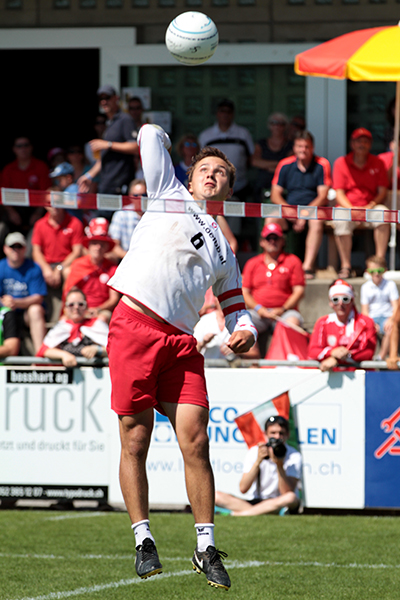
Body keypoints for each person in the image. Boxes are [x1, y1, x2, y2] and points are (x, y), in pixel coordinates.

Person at [106, 124, 257, 589]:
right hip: (134, 327)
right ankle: (143, 540)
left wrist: (246, 331)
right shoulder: (167, 191)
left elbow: (237, 308)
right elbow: (149, 134)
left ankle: (206, 547)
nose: (211, 176)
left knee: (197, 442)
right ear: (189, 180)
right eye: (204, 170)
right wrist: (167, 138)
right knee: (135, 439)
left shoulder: (224, 249)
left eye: (220, 174)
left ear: (228, 189)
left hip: (180, 345)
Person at [269, 131, 331, 279]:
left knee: (316, 222)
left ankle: (307, 267)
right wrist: (290, 212)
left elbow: (323, 196)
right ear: (294, 148)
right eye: (299, 146)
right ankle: (273, 263)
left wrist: (304, 214)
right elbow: (275, 194)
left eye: (306, 146)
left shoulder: (321, 164)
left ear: (312, 147)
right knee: (271, 219)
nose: (303, 150)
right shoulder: (285, 164)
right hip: (290, 209)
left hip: (313, 209)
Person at [332, 128, 389, 279]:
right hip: (348, 207)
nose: (362, 145)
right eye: (358, 141)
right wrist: (352, 209)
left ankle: (379, 264)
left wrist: (370, 205)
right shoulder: (341, 163)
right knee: (340, 218)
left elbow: (382, 191)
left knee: (383, 213)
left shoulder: (378, 163)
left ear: (370, 145)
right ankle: (346, 266)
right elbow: (339, 193)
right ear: (352, 144)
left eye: (365, 141)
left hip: (370, 206)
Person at [215, 415, 301, 516]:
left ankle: (239, 514)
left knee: (291, 497)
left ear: (287, 435)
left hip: (279, 501)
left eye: (281, 433)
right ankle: (260, 511)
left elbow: (287, 492)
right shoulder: (255, 452)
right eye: (273, 433)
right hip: (258, 501)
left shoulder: (294, 455)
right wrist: (258, 461)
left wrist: (279, 465)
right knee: (216, 496)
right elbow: (243, 488)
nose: (277, 437)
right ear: (265, 434)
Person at [242, 223, 305, 356]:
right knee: (242, 323)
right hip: (258, 312)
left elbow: (299, 291)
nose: (272, 241)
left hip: (285, 312)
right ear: (262, 242)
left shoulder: (293, 261)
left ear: (282, 241)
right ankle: (253, 361)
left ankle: (285, 362)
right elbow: (245, 291)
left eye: (276, 238)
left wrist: (283, 309)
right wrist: (259, 308)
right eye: (268, 238)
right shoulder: (252, 263)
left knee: (292, 322)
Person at [78, 85, 138, 196]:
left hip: (120, 184)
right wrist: (89, 175)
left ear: (116, 98)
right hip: (106, 183)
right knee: (102, 213)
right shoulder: (109, 123)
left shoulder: (125, 119)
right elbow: (104, 158)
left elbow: (135, 147)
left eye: (107, 97)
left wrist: (107, 144)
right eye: (101, 99)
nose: (104, 102)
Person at [308, 279, 376, 371]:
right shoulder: (323, 322)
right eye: (335, 299)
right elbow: (312, 351)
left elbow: (368, 352)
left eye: (345, 299)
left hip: (359, 377)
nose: (341, 303)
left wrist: (340, 357)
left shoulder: (365, 322)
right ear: (330, 303)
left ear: (352, 300)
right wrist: (332, 352)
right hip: (333, 378)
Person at [63, 218, 119, 322]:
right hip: (78, 309)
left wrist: (98, 309)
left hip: (102, 310)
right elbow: (70, 293)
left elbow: (114, 299)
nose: (98, 247)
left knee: (102, 318)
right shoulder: (78, 264)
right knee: (64, 320)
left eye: (102, 244)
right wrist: (80, 309)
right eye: (94, 243)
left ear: (107, 247)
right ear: (88, 246)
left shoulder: (113, 268)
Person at [198, 99, 255, 202]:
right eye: (222, 111)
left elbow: (250, 158)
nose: (225, 114)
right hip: (212, 189)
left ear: (233, 114)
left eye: (228, 112)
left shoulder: (243, 133)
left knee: (236, 217)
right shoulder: (206, 135)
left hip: (239, 187)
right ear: (217, 114)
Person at [36, 288, 108, 367]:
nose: (76, 307)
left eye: (80, 304)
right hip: (66, 375)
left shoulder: (97, 324)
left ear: (86, 307)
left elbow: (113, 349)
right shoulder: (61, 326)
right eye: (71, 305)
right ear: (65, 309)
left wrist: (97, 349)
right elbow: (44, 350)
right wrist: (64, 355)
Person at [0, 232, 47, 354]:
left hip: (26, 314)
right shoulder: (1, 267)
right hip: (6, 313)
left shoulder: (34, 268)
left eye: (19, 247)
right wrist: (5, 302)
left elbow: (38, 298)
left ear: (25, 249)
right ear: (5, 249)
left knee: (35, 310)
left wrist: (15, 302)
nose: (15, 250)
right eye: (12, 247)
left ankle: (40, 355)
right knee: (8, 314)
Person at [1, 136, 50, 236]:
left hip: (35, 209)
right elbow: (3, 193)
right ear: (14, 149)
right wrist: (11, 212)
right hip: (14, 208)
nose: (23, 149)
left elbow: (46, 193)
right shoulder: (8, 169)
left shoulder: (40, 166)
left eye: (26, 145)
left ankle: (29, 252)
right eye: (19, 146)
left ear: (31, 147)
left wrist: (38, 212)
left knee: (40, 227)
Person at [31, 206, 84, 289]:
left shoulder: (75, 223)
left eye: (57, 202)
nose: (54, 206)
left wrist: (60, 268)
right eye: (50, 203)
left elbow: (77, 251)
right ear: (45, 205)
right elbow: (36, 251)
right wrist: (45, 268)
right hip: (46, 264)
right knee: (33, 271)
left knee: (69, 272)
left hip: (66, 264)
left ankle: (69, 300)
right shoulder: (40, 224)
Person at [360, 256, 398, 361]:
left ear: (385, 271)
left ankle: (380, 357)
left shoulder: (390, 285)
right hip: (372, 317)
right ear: (368, 272)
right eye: (373, 271)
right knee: (364, 328)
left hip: (387, 316)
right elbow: (364, 311)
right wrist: (370, 322)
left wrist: (391, 319)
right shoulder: (365, 287)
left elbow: (396, 306)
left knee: (391, 328)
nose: (376, 274)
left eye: (379, 271)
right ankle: (365, 356)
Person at [251, 112, 293, 200]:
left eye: (281, 124)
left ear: (285, 127)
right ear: (269, 126)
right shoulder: (261, 143)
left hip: (283, 187)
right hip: (261, 186)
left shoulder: (290, 145)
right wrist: (279, 164)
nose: (277, 126)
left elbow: (290, 164)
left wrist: (266, 166)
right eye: (273, 123)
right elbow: (255, 161)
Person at [108, 178, 145, 260]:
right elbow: (114, 245)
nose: (140, 198)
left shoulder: (154, 215)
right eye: (136, 195)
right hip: (126, 260)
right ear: (130, 196)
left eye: (144, 195)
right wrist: (131, 259)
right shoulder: (121, 215)